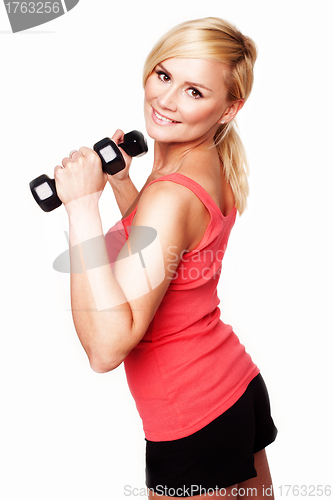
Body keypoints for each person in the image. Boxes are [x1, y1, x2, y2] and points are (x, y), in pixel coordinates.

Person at [54, 17, 278, 500]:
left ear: (229, 108)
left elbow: (106, 349)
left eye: (194, 91)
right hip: (233, 389)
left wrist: (79, 208)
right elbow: (164, 249)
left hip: (192, 414)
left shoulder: (171, 194)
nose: (166, 99)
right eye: (164, 75)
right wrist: (121, 186)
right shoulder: (206, 164)